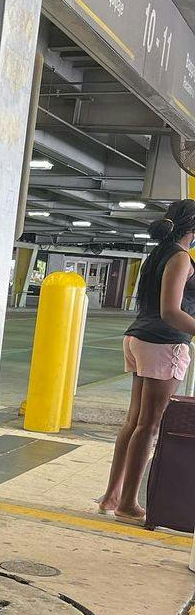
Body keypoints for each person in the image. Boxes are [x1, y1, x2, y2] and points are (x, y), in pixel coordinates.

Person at [99, 199, 195, 522]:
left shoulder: (157, 254)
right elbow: (171, 311)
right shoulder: (181, 258)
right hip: (162, 343)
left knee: (134, 422)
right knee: (148, 426)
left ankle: (112, 495)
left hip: (140, 337)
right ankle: (127, 504)